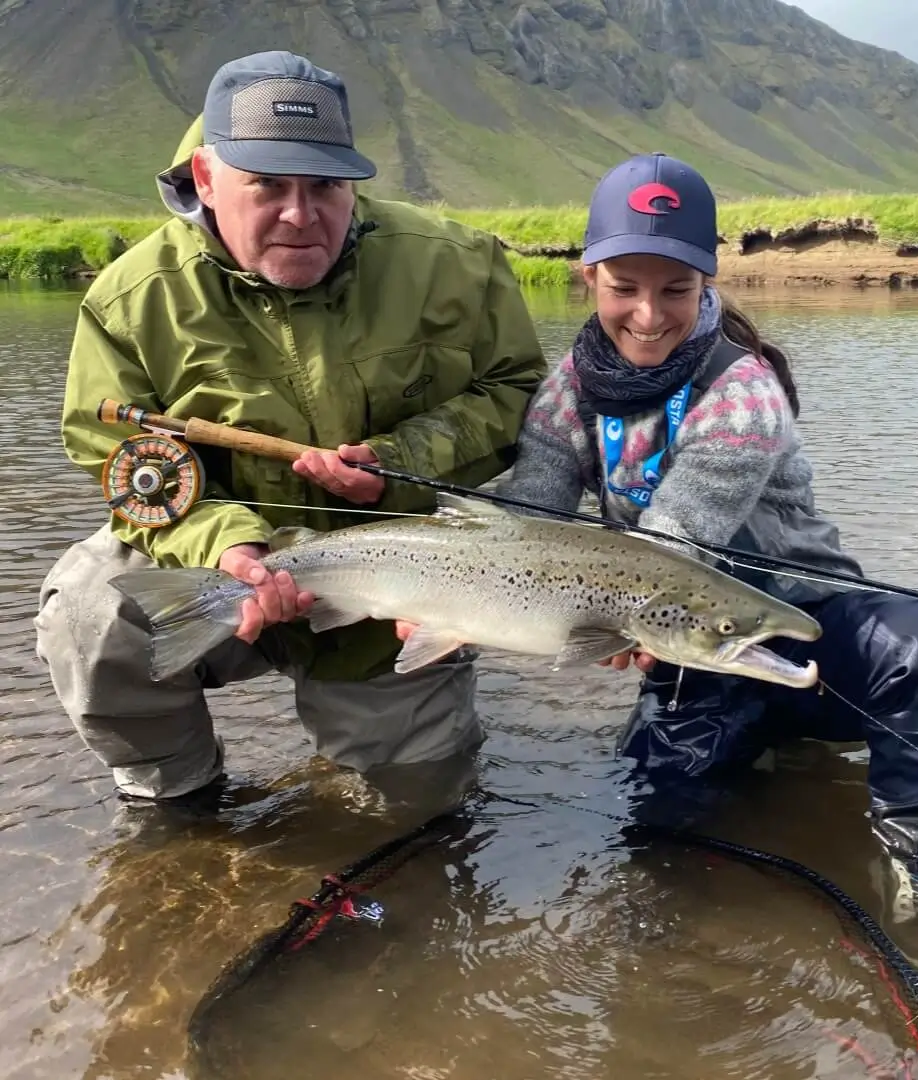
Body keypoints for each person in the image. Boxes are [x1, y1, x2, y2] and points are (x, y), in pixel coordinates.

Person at [33, 50, 546, 809]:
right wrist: (226, 547)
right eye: (268, 185)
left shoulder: (458, 267)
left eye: (324, 187)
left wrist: (399, 461)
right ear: (207, 179)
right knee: (89, 609)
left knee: (419, 809)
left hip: (387, 591)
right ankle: (177, 802)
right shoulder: (131, 300)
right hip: (219, 574)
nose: (301, 215)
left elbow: (516, 389)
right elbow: (120, 457)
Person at [493, 151, 918, 926]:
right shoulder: (564, 397)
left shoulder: (744, 392)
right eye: (625, 288)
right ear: (588, 277)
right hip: (689, 645)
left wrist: (616, 622)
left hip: (808, 632)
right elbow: (528, 532)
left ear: (707, 281)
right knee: (655, 840)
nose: (649, 315)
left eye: (675, 289)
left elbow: (676, 541)